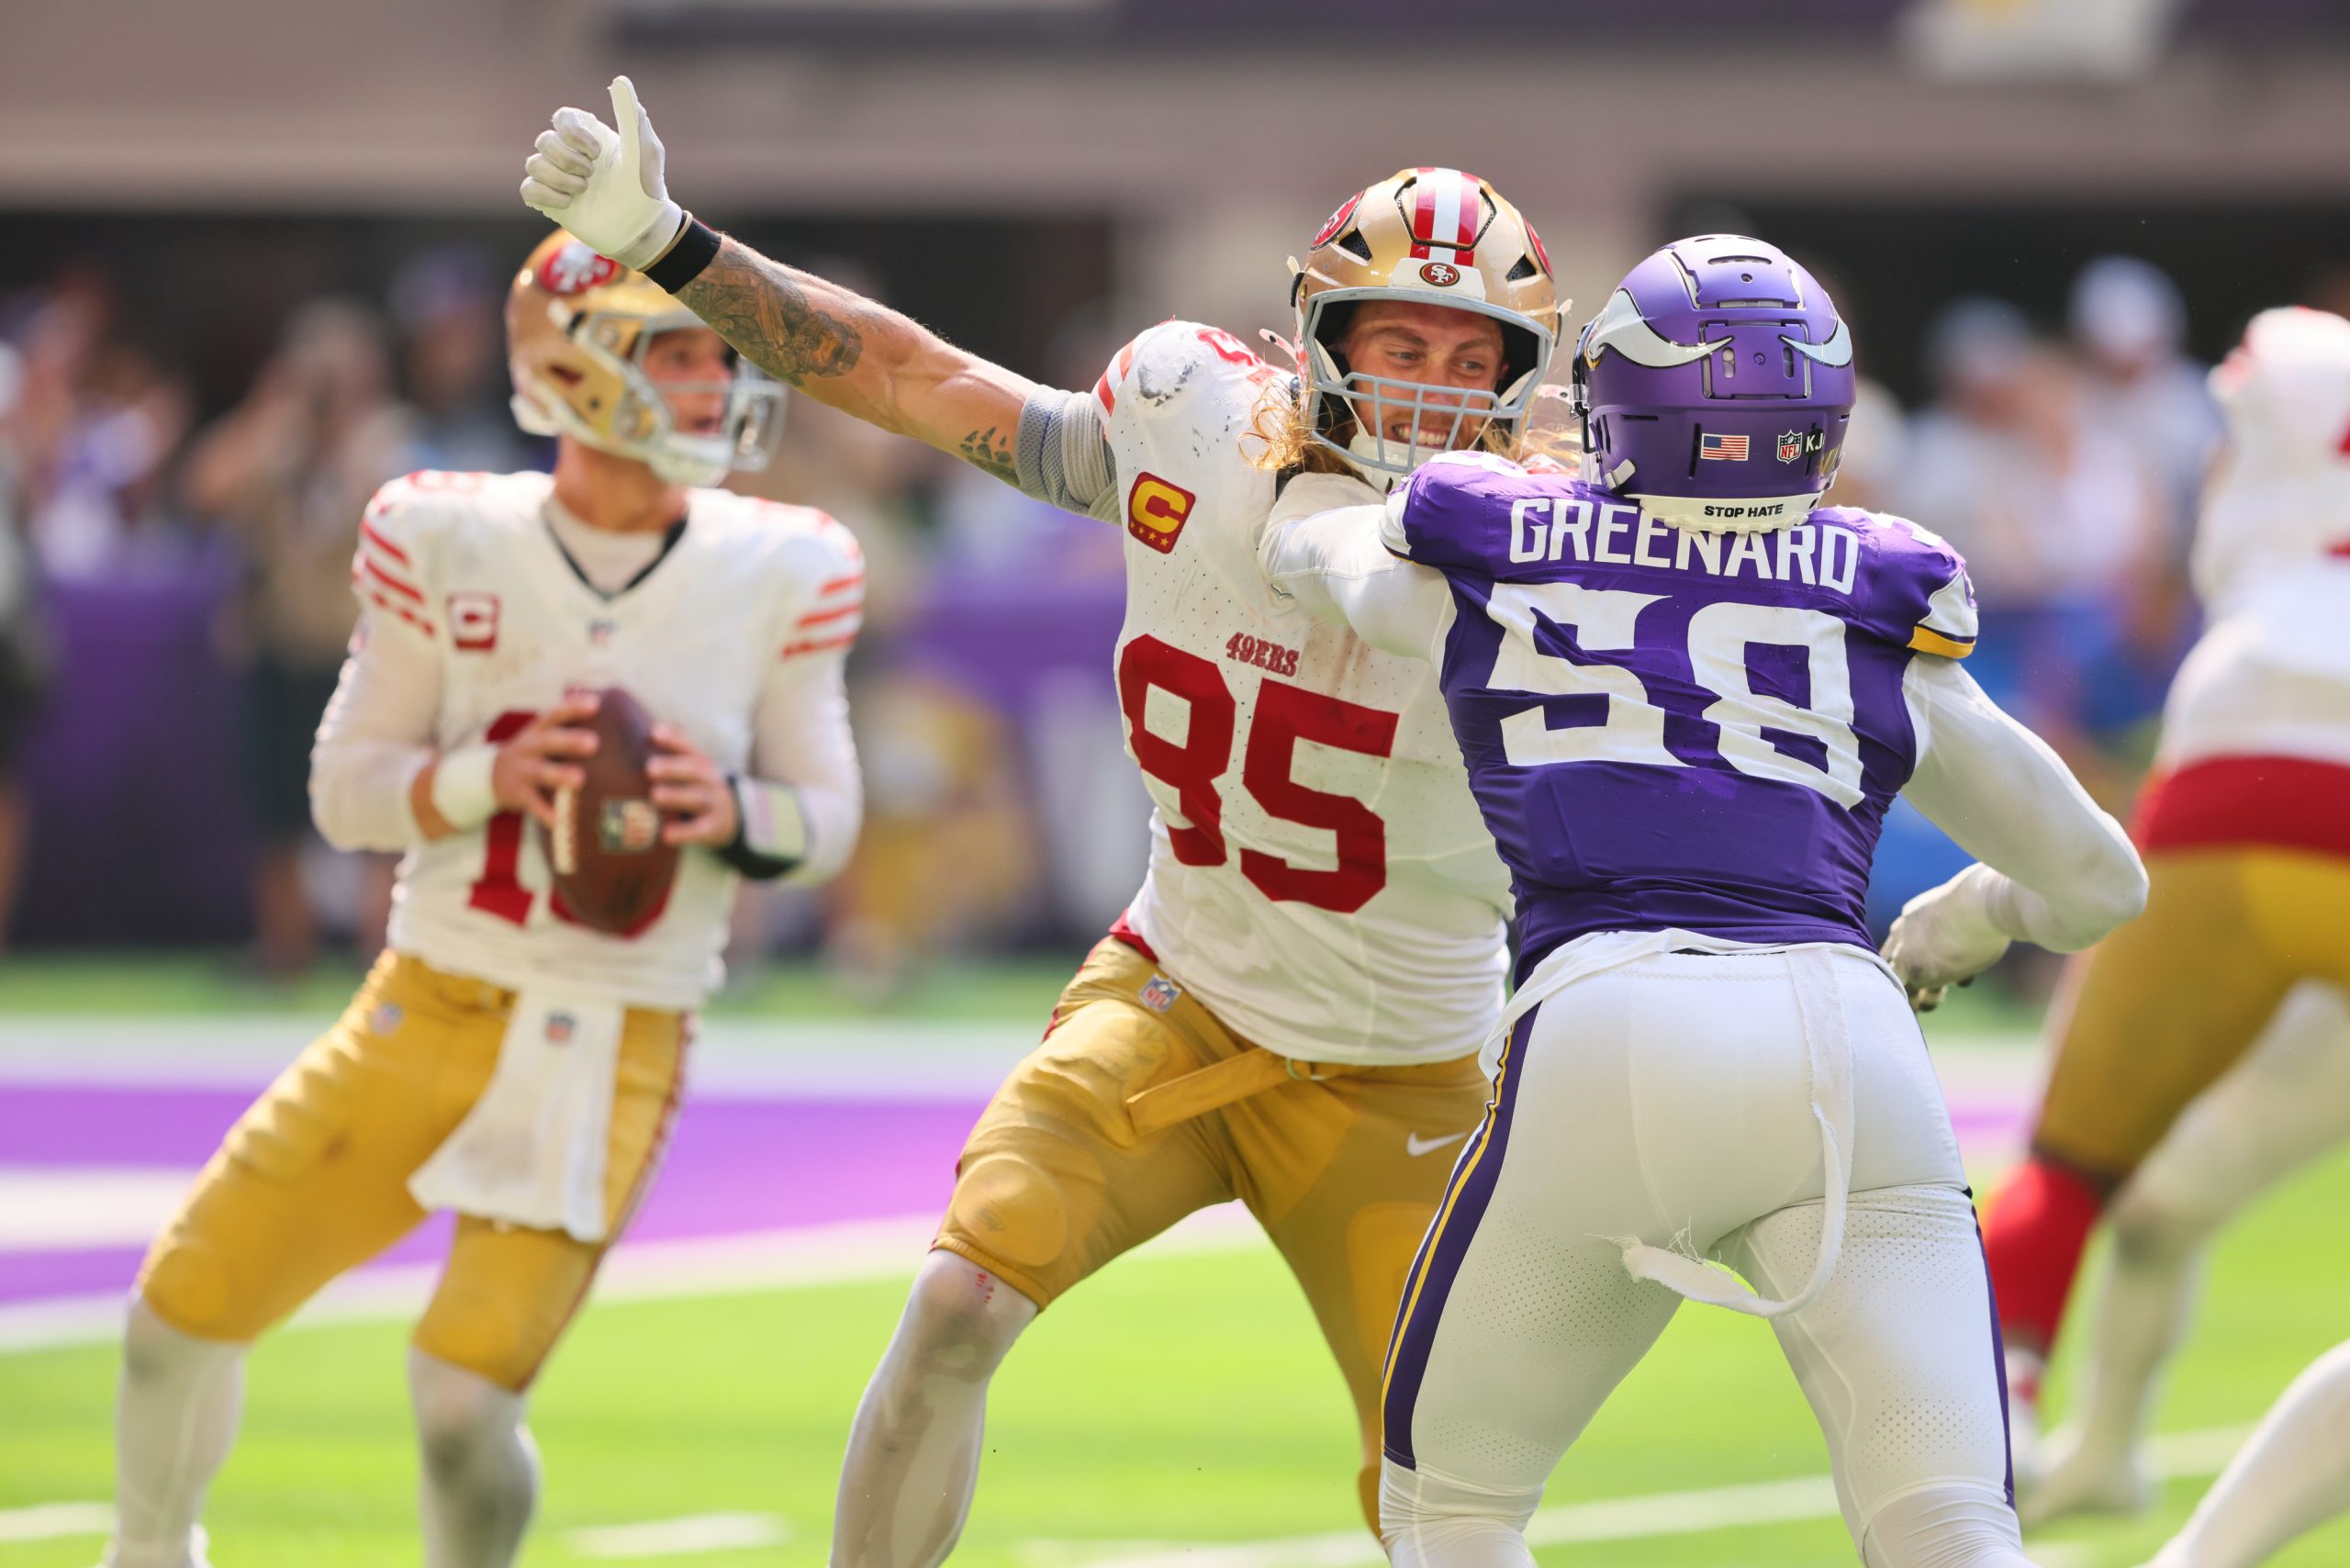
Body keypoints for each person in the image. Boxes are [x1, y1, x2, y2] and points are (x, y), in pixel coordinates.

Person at [520, 79, 1565, 1552]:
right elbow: (910, 376)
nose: (1433, 393)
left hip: (1404, 1072)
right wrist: (669, 244)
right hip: (1178, 1003)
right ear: (1323, 340)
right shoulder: (1193, 425)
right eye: (1401, 345)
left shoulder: (1558, 572)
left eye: (1472, 359)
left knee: (1442, 1471)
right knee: (957, 1299)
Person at [1258, 235, 2146, 1567]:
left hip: (1609, 1021)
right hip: (1852, 1040)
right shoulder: (1878, 596)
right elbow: (2100, 881)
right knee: (1952, 1522)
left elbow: (1320, 557)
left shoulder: (1490, 547)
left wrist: (1303, 505)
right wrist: (1968, 921)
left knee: (1455, 1510)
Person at [98, 232, 863, 1568]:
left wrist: (733, 812)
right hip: (428, 1001)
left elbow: (828, 821)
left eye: (717, 354)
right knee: (175, 1313)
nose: (713, 382)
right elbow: (346, 793)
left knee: (461, 1407)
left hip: (613, 1034)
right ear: (574, 366)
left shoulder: (781, 563)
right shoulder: (447, 533)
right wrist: (486, 778)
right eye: (677, 352)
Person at [1979, 304, 2350, 1524]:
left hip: (2241, 758)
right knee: (2161, 1202)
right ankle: (2105, 1459)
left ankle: (2000, 1407)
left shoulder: (2289, 408)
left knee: (2073, 1164)